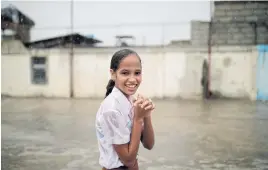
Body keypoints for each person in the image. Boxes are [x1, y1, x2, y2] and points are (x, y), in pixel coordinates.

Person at [95, 49, 155, 170]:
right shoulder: (112, 110)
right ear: (113, 74)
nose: (133, 79)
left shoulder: (129, 101)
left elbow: (149, 144)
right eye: (125, 73)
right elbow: (128, 160)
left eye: (137, 73)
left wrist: (146, 114)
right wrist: (138, 118)